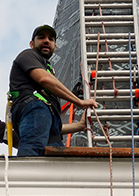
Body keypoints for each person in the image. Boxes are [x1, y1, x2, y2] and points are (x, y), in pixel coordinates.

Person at [9, 25, 98, 156]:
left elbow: (50, 128)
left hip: (43, 115)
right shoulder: (27, 55)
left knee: (57, 157)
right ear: (32, 44)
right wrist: (80, 102)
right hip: (33, 106)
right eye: (41, 37)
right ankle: (25, 176)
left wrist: (79, 126)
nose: (46, 41)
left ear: (55, 47)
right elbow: (45, 79)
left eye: (50, 39)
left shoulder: (48, 71)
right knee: (34, 148)